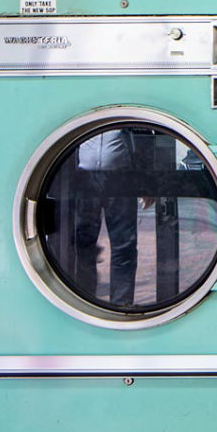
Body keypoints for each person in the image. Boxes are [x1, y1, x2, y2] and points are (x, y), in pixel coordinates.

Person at [72, 129, 141, 307]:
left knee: (124, 245)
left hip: (120, 177)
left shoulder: (122, 109)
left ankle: (122, 304)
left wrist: (145, 183)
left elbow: (141, 136)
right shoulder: (83, 108)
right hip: (84, 178)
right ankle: (85, 302)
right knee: (83, 245)